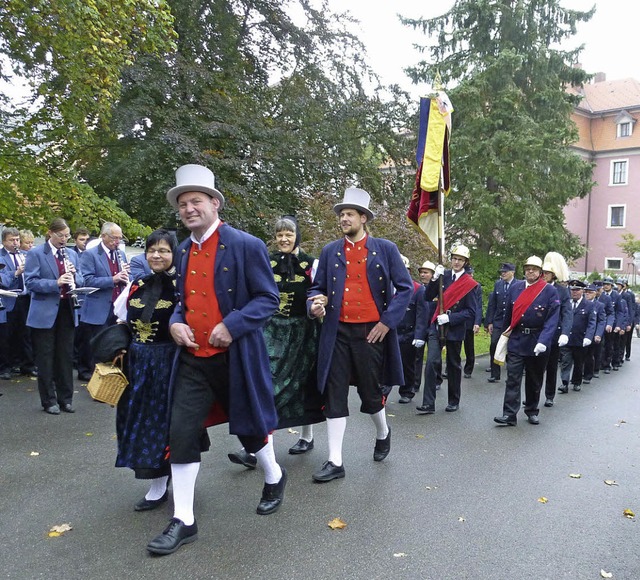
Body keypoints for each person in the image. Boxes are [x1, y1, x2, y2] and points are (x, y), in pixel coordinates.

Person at [146, 164, 284, 556]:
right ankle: (184, 520)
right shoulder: (184, 249)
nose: (189, 209)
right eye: (183, 204)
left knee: (250, 426)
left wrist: (233, 324)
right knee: (181, 431)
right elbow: (183, 303)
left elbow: (268, 299)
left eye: (196, 201)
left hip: (236, 356)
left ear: (214, 203)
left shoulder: (246, 244)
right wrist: (175, 323)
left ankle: (273, 475)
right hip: (192, 358)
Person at [307, 187, 412, 483]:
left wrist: (387, 323)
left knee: (370, 393)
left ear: (363, 218)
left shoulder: (385, 249)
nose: (343, 219)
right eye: (341, 214)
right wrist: (314, 303)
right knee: (334, 393)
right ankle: (335, 461)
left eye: (349, 214)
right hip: (337, 332)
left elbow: (405, 289)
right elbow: (317, 288)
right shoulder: (330, 251)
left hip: (371, 333)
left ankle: (382, 431)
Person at [227, 216, 324, 467]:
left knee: (302, 384)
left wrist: (317, 305)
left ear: (297, 237)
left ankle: (306, 435)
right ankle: (254, 447)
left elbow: (321, 291)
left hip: (302, 332)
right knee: (267, 386)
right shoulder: (266, 262)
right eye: (280, 234)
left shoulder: (311, 264)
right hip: (270, 332)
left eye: (288, 234)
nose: (283, 239)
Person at [112, 229, 178, 511]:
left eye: (163, 250)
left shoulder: (181, 286)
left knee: (163, 423)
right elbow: (121, 318)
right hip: (137, 363)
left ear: (174, 254)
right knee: (136, 420)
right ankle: (156, 479)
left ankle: (160, 484)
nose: (156, 255)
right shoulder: (137, 284)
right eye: (152, 250)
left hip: (168, 362)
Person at [24, 218, 84, 414]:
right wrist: (55, 283)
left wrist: (75, 275)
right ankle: (49, 401)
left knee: (65, 356)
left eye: (67, 236)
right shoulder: (36, 253)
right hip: (44, 312)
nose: (64, 239)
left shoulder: (72, 254)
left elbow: (82, 278)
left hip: (67, 309)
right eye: (61, 235)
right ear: (50, 233)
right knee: (46, 357)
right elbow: (31, 282)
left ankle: (66, 399)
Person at [494, 256, 559, 427]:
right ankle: (509, 414)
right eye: (528, 268)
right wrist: (504, 335)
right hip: (517, 338)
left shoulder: (549, 291)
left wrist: (544, 341)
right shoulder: (515, 288)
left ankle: (531, 410)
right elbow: (508, 314)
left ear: (540, 272)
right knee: (513, 378)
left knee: (534, 378)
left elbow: (552, 319)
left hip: (537, 341)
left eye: (534, 269)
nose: (531, 271)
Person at [417, 245, 478, 415]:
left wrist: (451, 318)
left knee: (453, 364)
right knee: (431, 363)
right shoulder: (444, 276)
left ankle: (453, 400)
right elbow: (427, 296)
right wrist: (435, 279)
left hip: (454, 328)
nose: (456, 262)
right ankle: (428, 403)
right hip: (437, 326)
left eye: (460, 259)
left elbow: (471, 311)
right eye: (454, 258)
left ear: (465, 262)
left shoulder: (470, 284)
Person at [76, 222, 130, 381]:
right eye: (114, 238)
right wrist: (112, 279)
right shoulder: (90, 254)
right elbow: (86, 280)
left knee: (111, 343)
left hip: (116, 306)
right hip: (98, 305)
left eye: (120, 238)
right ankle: (88, 373)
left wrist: (126, 278)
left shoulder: (121, 254)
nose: (117, 242)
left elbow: (125, 277)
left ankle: (107, 375)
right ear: (104, 236)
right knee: (94, 343)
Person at [0, 227, 36, 377]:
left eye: (17, 240)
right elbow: (2, 280)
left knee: (26, 334)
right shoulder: (1, 257)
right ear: (3, 241)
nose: (15, 243)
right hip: (8, 299)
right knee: (7, 335)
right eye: (11, 240)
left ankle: (27, 365)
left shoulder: (26, 255)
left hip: (26, 299)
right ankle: (5, 368)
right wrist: (16, 272)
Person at [390, 255, 423, 404]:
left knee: (407, 364)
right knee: (386, 362)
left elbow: (421, 315)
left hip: (408, 333)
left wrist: (419, 335)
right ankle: (383, 391)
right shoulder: (388, 287)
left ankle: (407, 391)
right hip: (390, 330)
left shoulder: (417, 289)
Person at [541, 252, 573, 408]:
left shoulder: (562, 291)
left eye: (547, 273)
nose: (544, 275)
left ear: (553, 275)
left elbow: (567, 313)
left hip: (554, 334)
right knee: (535, 368)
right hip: (537, 333)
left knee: (552, 367)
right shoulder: (537, 287)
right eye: (543, 272)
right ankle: (533, 395)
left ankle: (549, 395)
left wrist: (565, 333)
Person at [558, 280, 596, 394]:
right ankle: (564, 383)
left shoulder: (589, 305)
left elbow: (592, 323)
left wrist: (588, 337)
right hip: (567, 338)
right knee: (565, 361)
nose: (574, 292)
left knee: (579, 362)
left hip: (580, 339)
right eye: (572, 290)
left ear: (582, 291)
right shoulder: (566, 303)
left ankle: (576, 382)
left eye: (577, 290)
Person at [484, 263, 516, 383]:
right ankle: (495, 373)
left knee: (512, 348)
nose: (502, 273)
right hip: (498, 321)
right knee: (494, 345)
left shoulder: (519, 285)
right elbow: (492, 304)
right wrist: (489, 322)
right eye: (501, 272)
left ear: (512, 272)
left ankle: (512, 374)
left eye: (505, 271)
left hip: (512, 322)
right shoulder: (498, 284)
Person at [581, 283, 605, 385]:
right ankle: (577, 376)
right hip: (580, 333)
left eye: (590, 292)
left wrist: (598, 334)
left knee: (589, 355)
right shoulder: (581, 303)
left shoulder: (599, 305)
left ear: (595, 294)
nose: (587, 294)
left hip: (592, 334)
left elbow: (601, 321)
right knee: (578, 356)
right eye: (586, 292)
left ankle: (587, 375)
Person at [462, 268, 482, 378]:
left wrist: (477, 322)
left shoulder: (476, 286)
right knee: (454, 345)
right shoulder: (459, 284)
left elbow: (478, 305)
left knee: (469, 347)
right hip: (458, 319)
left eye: (470, 274)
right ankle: (448, 368)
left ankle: (468, 369)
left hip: (470, 319)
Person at [616, 278, 635, 362]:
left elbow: (631, 309)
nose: (617, 286)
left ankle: (620, 357)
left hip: (625, 318)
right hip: (617, 319)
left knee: (624, 340)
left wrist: (629, 323)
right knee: (616, 340)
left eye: (619, 285)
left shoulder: (627, 295)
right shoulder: (615, 294)